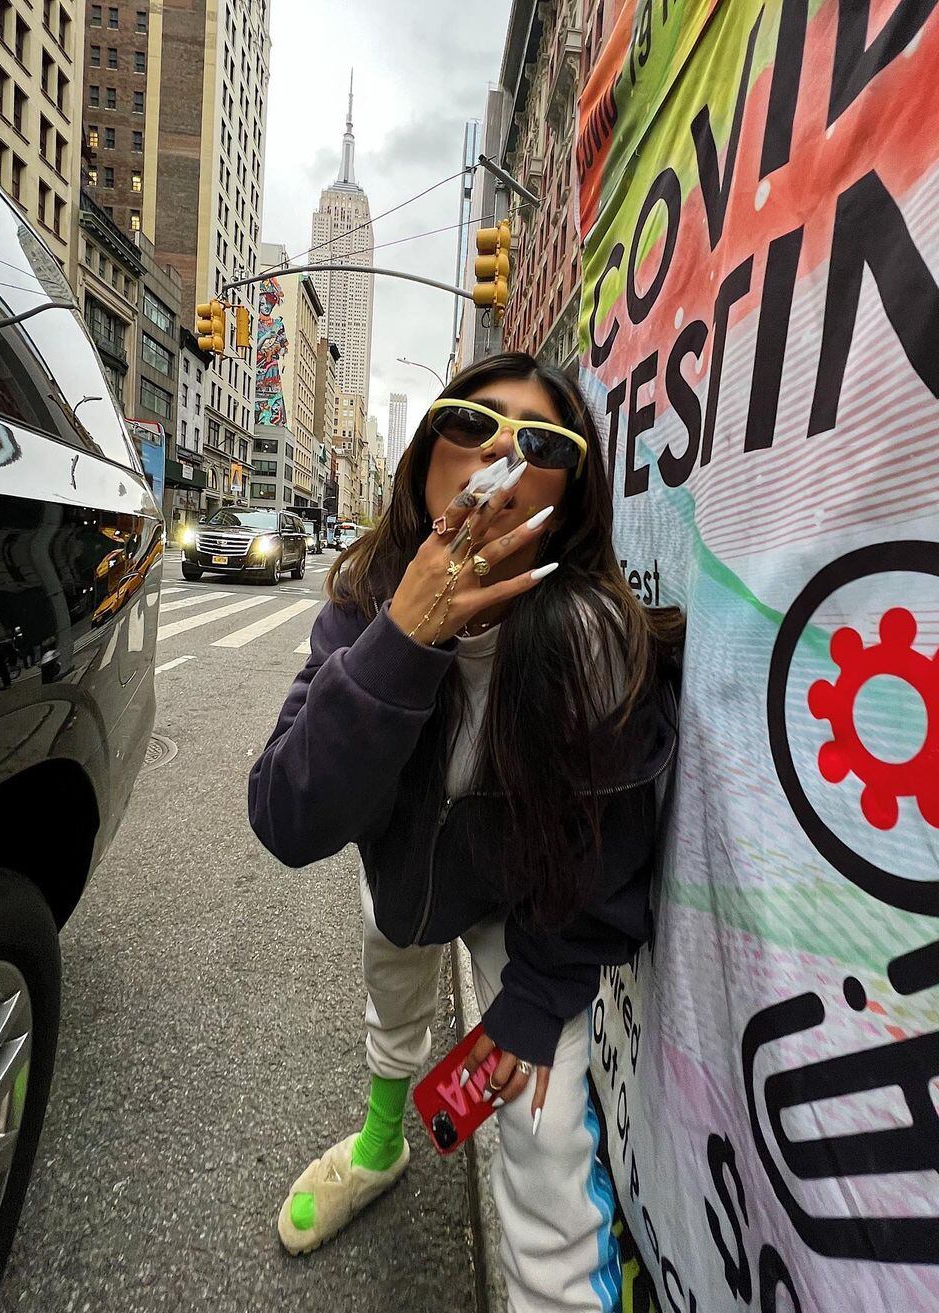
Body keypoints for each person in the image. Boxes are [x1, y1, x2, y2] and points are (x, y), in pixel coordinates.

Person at [248, 352, 681, 1312]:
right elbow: (286, 816)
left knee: (545, 1129)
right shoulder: (365, 600)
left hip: (521, 918)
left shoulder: (595, 643)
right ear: (424, 460)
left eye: (540, 440)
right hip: (397, 878)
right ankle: (379, 1137)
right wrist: (404, 638)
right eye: (470, 422)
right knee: (391, 974)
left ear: (568, 499)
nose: (497, 451)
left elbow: (604, 853)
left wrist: (535, 1001)